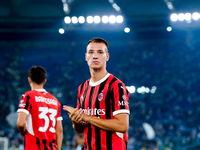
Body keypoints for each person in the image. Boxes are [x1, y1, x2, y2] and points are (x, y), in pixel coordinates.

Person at [63, 37, 130, 150]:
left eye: (100, 52)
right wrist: (76, 120)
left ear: (107, 57)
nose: (95, 56)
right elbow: (80, 129)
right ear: (86, 57)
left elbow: (122, 126)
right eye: (91, 52)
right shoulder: (82, 88)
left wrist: (87, 117)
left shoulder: (116, 85)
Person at [17, 66, 63, 150]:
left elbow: (21, 123)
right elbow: (59, 130)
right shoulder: (55, 101)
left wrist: (23, 132)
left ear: (29, 80)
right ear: (44, 81)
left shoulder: (27, 96)